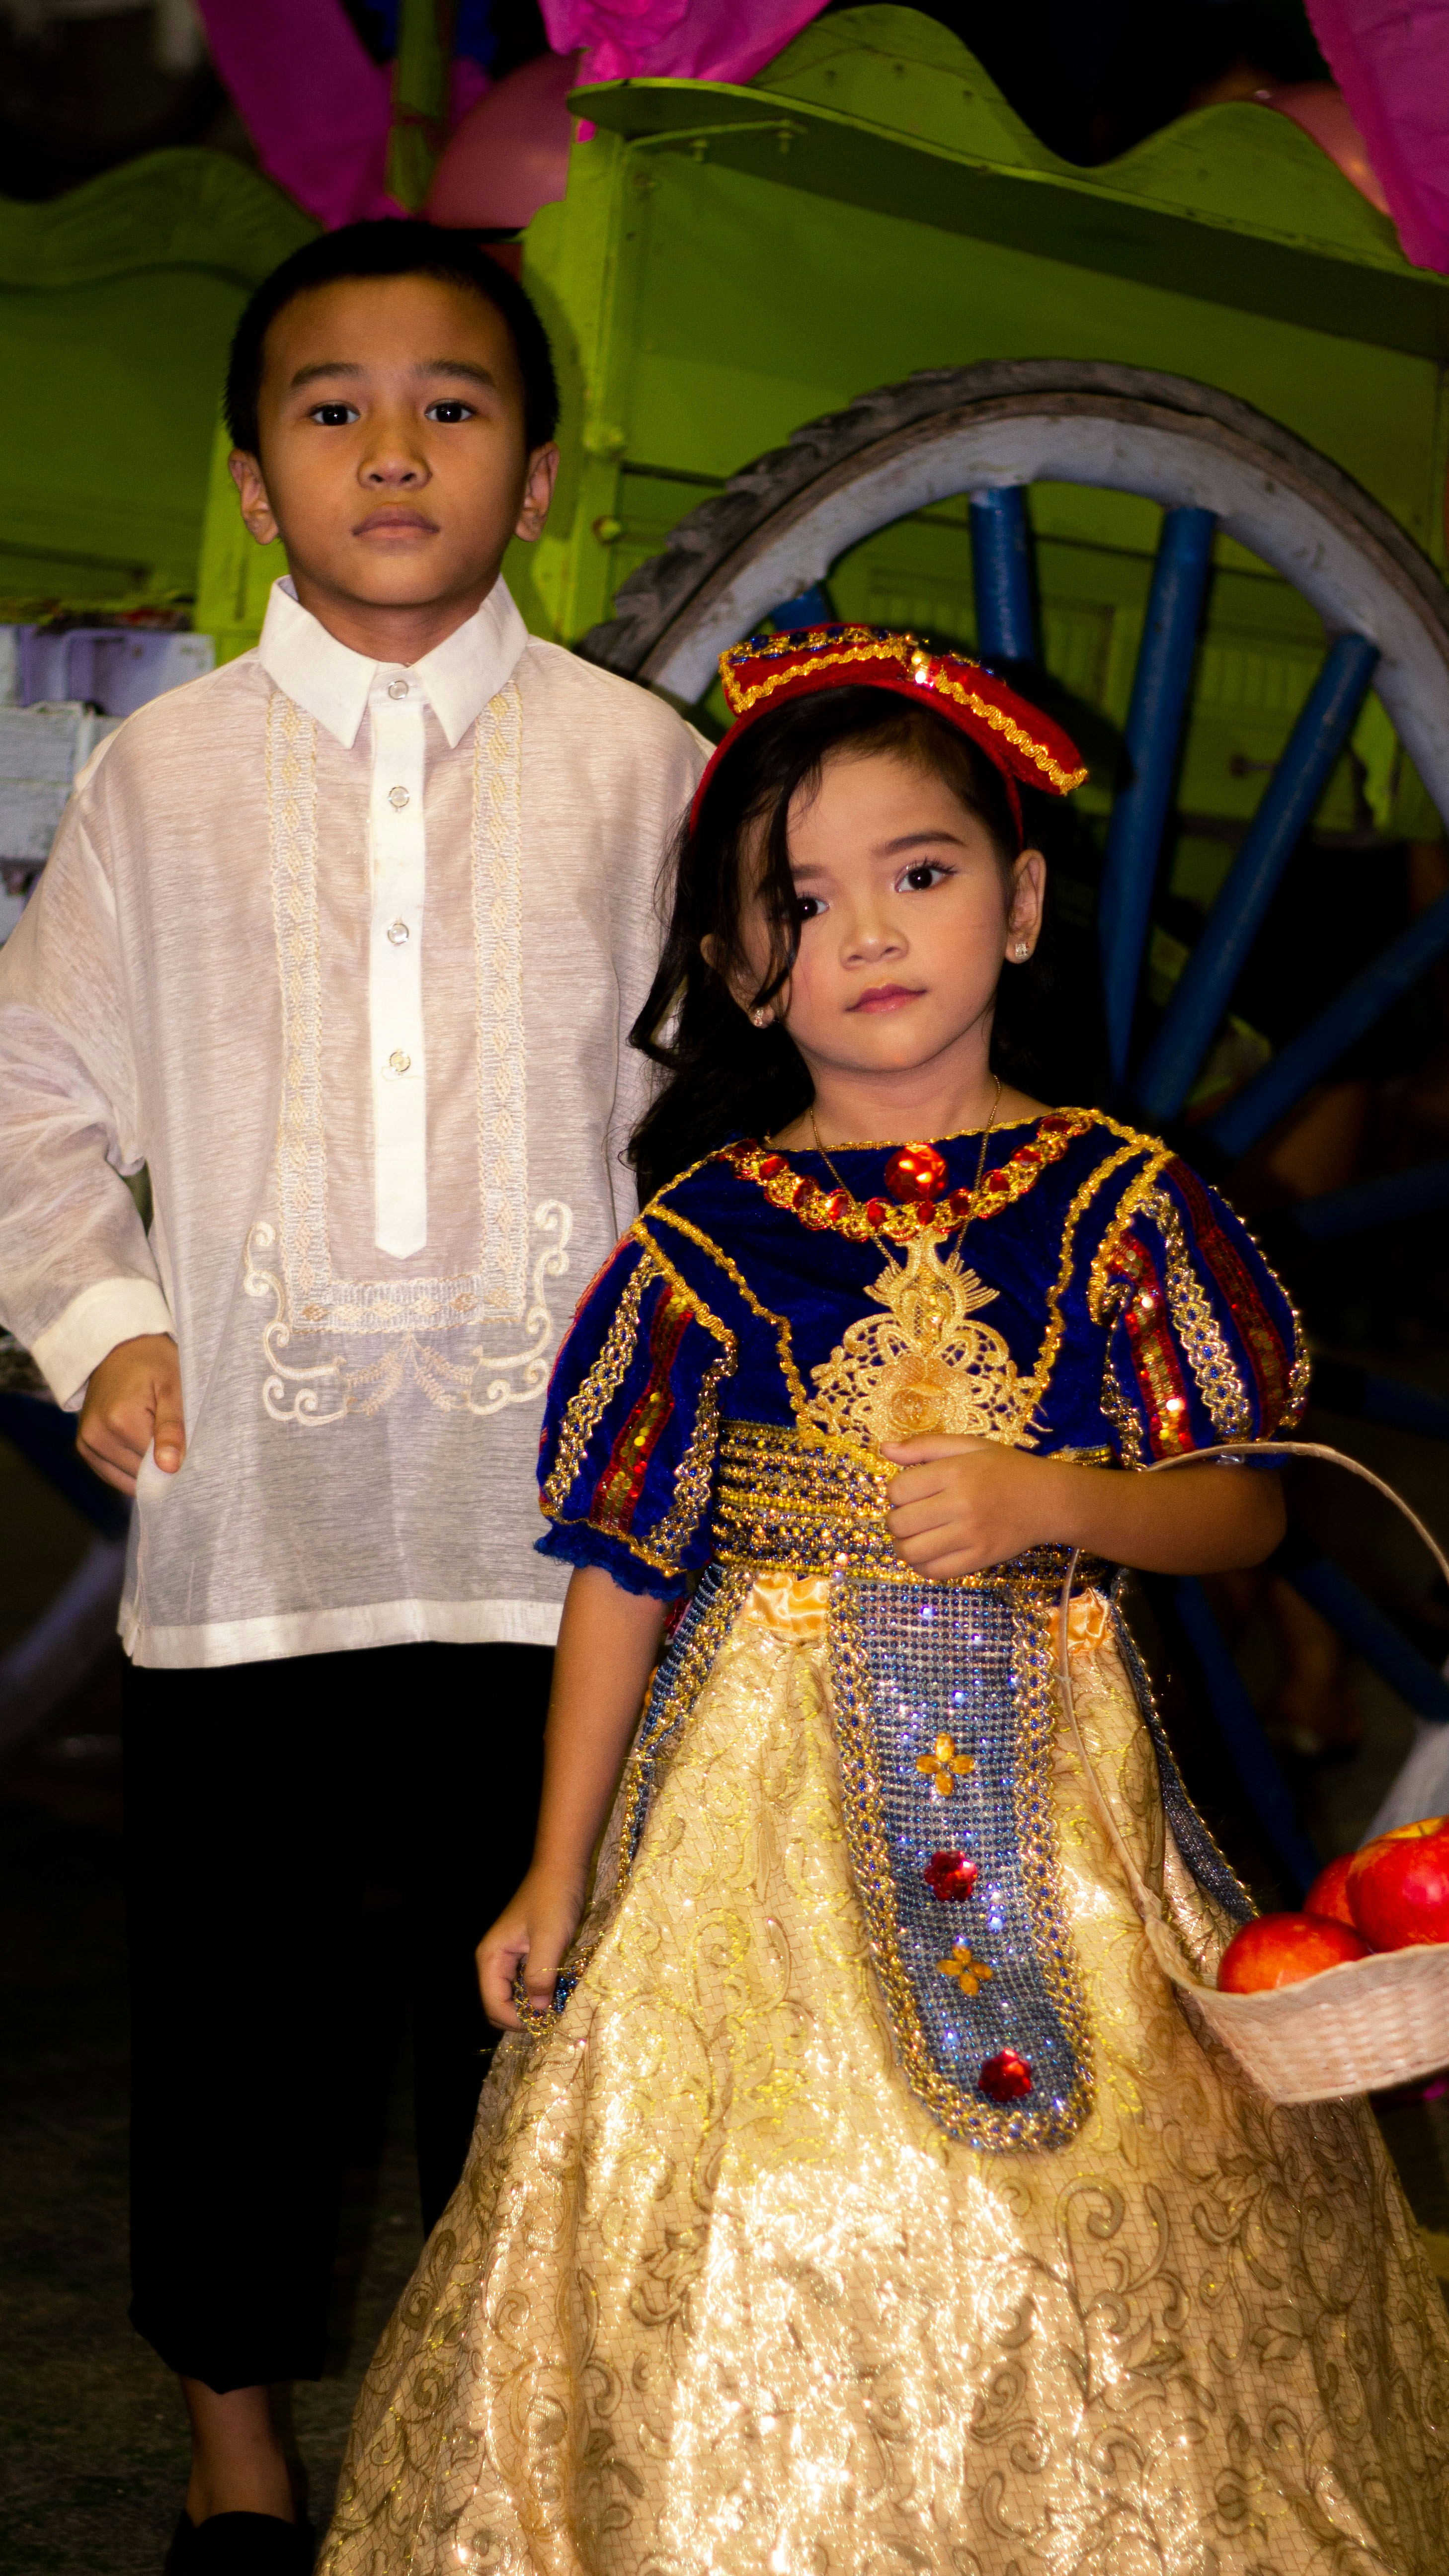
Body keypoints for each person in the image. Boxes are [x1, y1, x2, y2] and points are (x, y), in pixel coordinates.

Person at [321, 622, 1449, 2575]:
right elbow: (617, 1569)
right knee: (763, 2186)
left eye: (916, 873)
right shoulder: (707, 1239)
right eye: (797, 902)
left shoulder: (1121, 1208)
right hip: (748, 1830)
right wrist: (554, 1869)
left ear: (1016, 904)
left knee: (1096, 2187)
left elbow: (1246, 1519)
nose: (863, 934)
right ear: (745, 969)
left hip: (1059, 1813)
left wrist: (1059, 1496)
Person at [0, 222, 704, 2568]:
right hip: (258, 1536)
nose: (392, 446)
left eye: (453, 403)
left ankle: (503, 2430)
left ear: (535, 474)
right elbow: (28, 1092)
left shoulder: (641, 771)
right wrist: (105, 1323)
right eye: (332, 407)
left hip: (561, 1547)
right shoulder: (164, 780)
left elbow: (731, 1107)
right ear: (251, 473)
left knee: (529, 2002)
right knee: (230, 2030)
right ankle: (231, 2451)